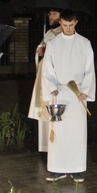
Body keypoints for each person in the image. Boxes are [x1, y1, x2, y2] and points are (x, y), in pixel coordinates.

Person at [40, 9, 96, 182]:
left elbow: (89, 69)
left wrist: (85, 90)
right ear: (60, 24)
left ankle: (77, 168)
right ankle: (57, 168)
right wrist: (51, 88)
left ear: (76, 23)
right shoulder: (54, 43)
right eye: (64, 25)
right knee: (59, 132)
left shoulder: (84, 43)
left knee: (77, 132)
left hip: (77, 93)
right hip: (60, 92)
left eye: (71, 25)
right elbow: (47, 69)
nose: (68, 29)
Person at [28, 8, 62, 152]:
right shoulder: (50, 33)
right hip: (43, 75)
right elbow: (40, 51)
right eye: (49, 13)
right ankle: (45, 146)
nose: (50, 16)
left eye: (54, 13)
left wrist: (46, 51)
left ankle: (57, 146)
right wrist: (40, 51)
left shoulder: (63, 34)